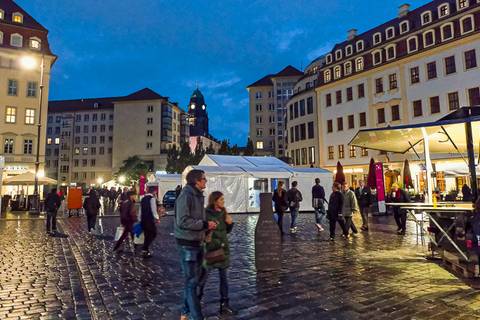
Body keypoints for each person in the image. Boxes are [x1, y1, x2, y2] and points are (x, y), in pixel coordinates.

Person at [175, 169, 217, 320]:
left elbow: (199, 218)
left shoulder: (198, 195)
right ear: (197, 181)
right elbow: (183, 221)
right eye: (204, 179)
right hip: (187, 244)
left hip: (197, 242)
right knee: (192, 282)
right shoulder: (186, 195)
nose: (206, 181)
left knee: (199, 279)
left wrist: (207, 229)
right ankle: (195, 316)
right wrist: (204, 224)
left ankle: (185, 311)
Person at [198, 191, 236, 316]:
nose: (223, 202)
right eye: (221, 200)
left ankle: (224, 304)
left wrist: (230, 224)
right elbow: (202, 230)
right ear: (215, 201)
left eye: (223, 200)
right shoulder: (206, 213)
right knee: (203, 277)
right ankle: (196, 301)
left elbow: (227, 230)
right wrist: (209, 227)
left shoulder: (224, 212)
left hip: (223, 249)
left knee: (224, 278)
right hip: (210, 249)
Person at [138, 186, 161, 258]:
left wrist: (139, 219)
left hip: (143, 220)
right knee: (153, 234)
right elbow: (153, 210)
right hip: (149, 220)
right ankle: (144, 249)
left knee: (147, 235)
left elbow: (140, 210)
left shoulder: (143, 199)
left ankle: (146, 251)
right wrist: (157, 218)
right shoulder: (152, 199)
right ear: (154, 192)